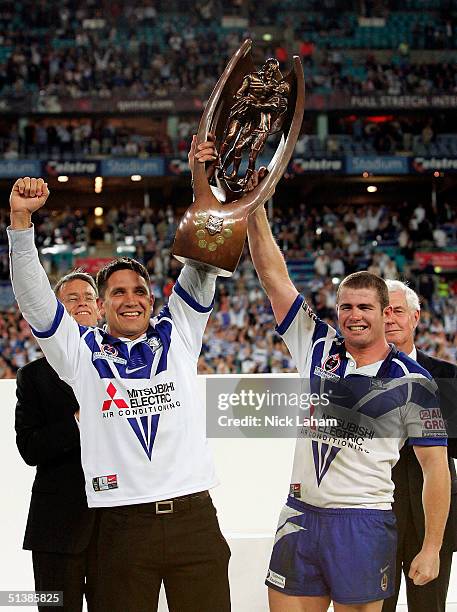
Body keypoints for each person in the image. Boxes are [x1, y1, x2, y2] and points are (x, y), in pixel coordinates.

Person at [8, 140, 230, 612]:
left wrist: (201, 180)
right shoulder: (81, 353)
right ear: (101, 305)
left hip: (194, 518)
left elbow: (206, 256)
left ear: (152, 298)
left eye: (141, 291)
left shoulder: (180, 333)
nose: (132, 299)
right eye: (118, 293)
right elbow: (34, 301)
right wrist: (22, 226)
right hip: (123, 527)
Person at [247, 202, 450, 612]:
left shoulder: (415, 383)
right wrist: (255, 208)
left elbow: (436, 469)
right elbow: (274, 278)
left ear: (384, 312)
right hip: (300, 516)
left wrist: (432, 548)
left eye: (365, 307)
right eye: (346, 307)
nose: (354, 316)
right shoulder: (317, 345)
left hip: (363, 522)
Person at [15, 271, 100, 612]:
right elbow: (30, 448)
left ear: (100, 309)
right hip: (57, 528)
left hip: (116, 529)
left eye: (89, 298)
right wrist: (79, 422)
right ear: (56, 311)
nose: (82, 303)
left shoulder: (129, 367)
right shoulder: (33, 376)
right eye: (72, 299)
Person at [382, 280, 457, 612]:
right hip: (376, 516)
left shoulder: (446, 375)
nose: (390, 319)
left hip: (433, 520)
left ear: (415, 317)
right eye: (383, 311)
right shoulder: (352, 377)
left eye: (398, 311)